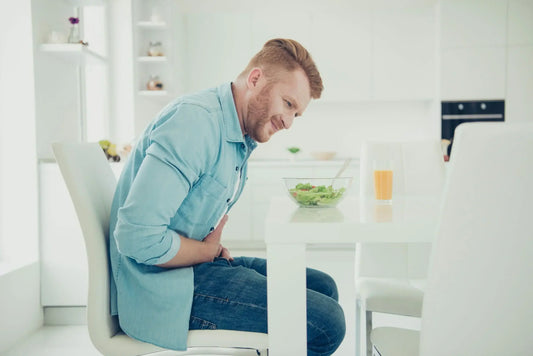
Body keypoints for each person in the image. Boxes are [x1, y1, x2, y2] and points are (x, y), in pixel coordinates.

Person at [109, 38, 346, 356]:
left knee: (323, 286)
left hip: (189, 270)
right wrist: (204, 252)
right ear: (256, 79)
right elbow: (137, 236)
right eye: (288, 104)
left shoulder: (236, 133)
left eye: (296, 114)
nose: (289, 123)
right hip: (161, 289)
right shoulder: (196, 124)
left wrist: (208, 249)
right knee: (326, 323)